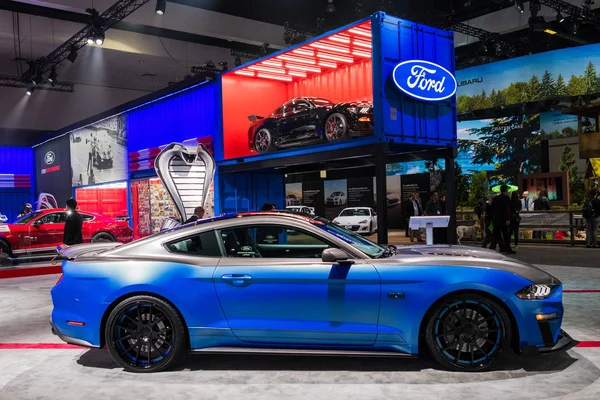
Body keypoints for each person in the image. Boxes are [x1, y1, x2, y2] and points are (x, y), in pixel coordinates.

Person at [491, 185, 514, 254]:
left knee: (496, 234)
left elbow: (493, 209)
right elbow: (507, 209)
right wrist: (508, 218)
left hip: (496, 219)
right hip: (503, 219)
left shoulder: (495, 198)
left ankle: (493, 248)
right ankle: (507, 248)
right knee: (505, 234)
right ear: (506, 190)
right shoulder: (506, 198)